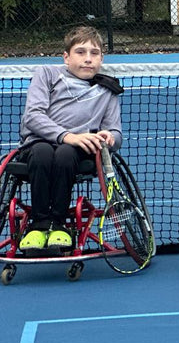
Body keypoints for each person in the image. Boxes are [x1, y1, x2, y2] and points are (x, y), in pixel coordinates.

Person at [18, 26, 123, 251]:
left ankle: (58, 224)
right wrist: (67, 136)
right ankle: (39, 224)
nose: (88, 59)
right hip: (38, 145)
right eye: (80, 52)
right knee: (43, 152)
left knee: (65, 153)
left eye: (94, 53)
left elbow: (115, 132)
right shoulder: (46, 74)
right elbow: (33, 117)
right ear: (66, 57)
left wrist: (109, 137)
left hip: (78, 152)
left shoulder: (108, 90)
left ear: (101, 58)